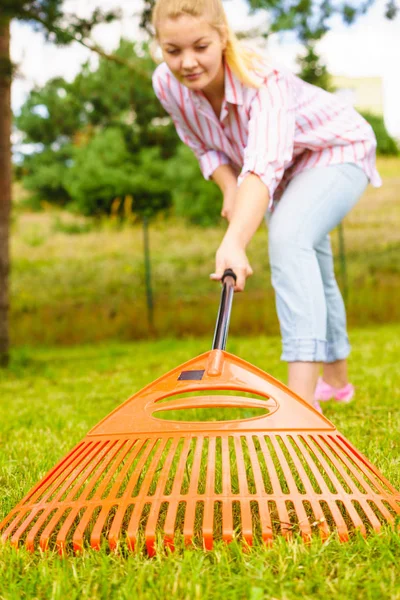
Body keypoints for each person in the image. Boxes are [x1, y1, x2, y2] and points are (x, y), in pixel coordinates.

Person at [150, 0, 381, 411]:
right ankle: (337, 383)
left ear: (223, 37)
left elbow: (262, 166)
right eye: (173, 51)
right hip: (281, 171)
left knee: (290, 239)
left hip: (335, 149)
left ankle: (302, 404)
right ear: (160, 47)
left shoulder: (262, 82)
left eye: (200, 46)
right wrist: (226, 187)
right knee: (314, 264)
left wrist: (235, 241)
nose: (187, 62)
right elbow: (202, 145)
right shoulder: (167, 85)